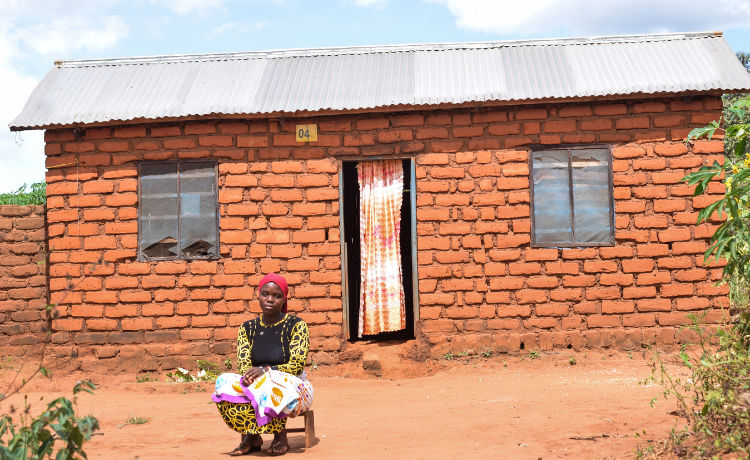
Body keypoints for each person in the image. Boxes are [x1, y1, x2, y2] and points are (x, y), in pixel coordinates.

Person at [215, 273, 311, 456]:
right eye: (265, 294)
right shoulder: (247, 328)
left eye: (276, 296)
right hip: (257, 385)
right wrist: (251, 376)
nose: (270, 299)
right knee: (224, 381)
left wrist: (267, 371)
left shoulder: (297, 325)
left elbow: (297, 365)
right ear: (258, 295)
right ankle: (252, 436)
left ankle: (280, 435)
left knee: (271, 381)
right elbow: (243, 365)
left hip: (296, 390)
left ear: (284, 300)